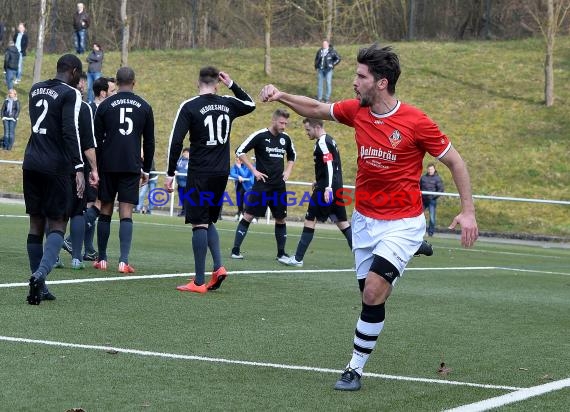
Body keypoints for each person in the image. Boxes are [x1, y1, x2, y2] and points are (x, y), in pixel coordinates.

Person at [259, 44, 478, 391]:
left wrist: (467, 212)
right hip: (365, 220)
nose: (354, 82)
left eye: (361, 76)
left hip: (403, 222)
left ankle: (354, 368)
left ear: (381, 83)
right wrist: (280, 95)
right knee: (368, 294)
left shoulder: (416, 122)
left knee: (374, 293)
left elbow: (456, 162)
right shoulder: (356, 111)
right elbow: (316, 107)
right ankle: (407, 252)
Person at [165, 66, 256, 293]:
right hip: (221, 172)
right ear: (217, 83)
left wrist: (169, 173)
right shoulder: (227, 102)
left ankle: (197, 282)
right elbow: (251, 104)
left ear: (198, 82)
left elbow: (176, 141)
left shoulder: (189, 106)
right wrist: (232, 84)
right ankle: (218, 267)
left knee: (198, 223)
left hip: (200, 172)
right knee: (208, 220)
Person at [23, 54, 91, 305]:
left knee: (35, 225)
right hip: (56, 167)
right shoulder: (70, 94)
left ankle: (40, 284)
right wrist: (79, 168)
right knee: (58, 224)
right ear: (73, 71)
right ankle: (40, 275)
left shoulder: (35, 89)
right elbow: (69, 130)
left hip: (31, 162)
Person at [93, 66, 155, 273]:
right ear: (134, 82)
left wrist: (97, 167)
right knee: (126, 212)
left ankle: (101, 259)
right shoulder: (144, 106)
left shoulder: (104, 105)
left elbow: (96, 141)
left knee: (105, 209)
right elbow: (149, 142)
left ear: (116, 83)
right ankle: (123, 261)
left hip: (108, 165)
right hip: (131, 166)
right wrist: (146, 169)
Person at [279, 118, 352, 267]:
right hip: (334, 186)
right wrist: (321, 181)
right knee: (343, 223)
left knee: (310, 219)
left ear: (317, 127)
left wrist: (327, 187)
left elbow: (330, 165)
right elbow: (332, 167)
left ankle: (298, 258)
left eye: (308, 130)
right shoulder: (330, 140)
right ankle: (364, 260)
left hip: (327, 189)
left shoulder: (323, 142)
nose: (307, 133)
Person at [231, 108, 297, 263]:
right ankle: (235, 250)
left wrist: (288, 171)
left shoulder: (285, 138)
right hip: (262, 186)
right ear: (273, 120)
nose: (284, 126)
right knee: (248, 215)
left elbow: (293, 155)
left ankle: (281, 253)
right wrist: (253, 170)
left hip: (278, 186)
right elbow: (239, 150)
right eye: (281, 122)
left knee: (281, 218)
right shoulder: (260, 135)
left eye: (286, 123)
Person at [60, 71, 99, 270]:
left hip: (54, 164)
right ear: (80, 82)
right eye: (83, 82)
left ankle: (54, 256)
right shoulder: (83, 107)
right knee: (77, 211)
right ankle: (76, 257)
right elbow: (88, 142)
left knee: (55, 212)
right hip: (76, 166)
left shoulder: (55, 100)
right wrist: (94, 168)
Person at [420, 162, 445, 237]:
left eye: (432, 169)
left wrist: (433, 197)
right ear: (427, 170)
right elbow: (418, 187)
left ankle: (430, 233)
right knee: (418, 217)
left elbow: (441, 189)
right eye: (429, 169)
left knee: (432, 218)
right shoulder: (423, 178)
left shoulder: (437, 179)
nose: (430, 170)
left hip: (432, 201)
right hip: (423, 200)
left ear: (434, 170)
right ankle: (418, 232)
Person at [229, 155, 254, 221]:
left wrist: (239, 168)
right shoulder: (235, 166)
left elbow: (245, 175)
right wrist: (238, 176)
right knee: (239, 200)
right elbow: (231, 173)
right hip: (239, 185)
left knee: (246, 200)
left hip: (247, 186)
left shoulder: (247, 166)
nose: (237, 161)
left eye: (239, 160)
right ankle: (240, 213)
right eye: (236, 159)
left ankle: (245, 214)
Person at [175, 147, 190, 217]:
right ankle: (183, 211)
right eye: (184, 152)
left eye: (187, 153)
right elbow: (176, 167)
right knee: (182, 198)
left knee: (187, 198)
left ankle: (186, 212)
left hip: (188, 183)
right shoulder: (179, 160)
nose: (185, 154)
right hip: (180, 183)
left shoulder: (192, 161)